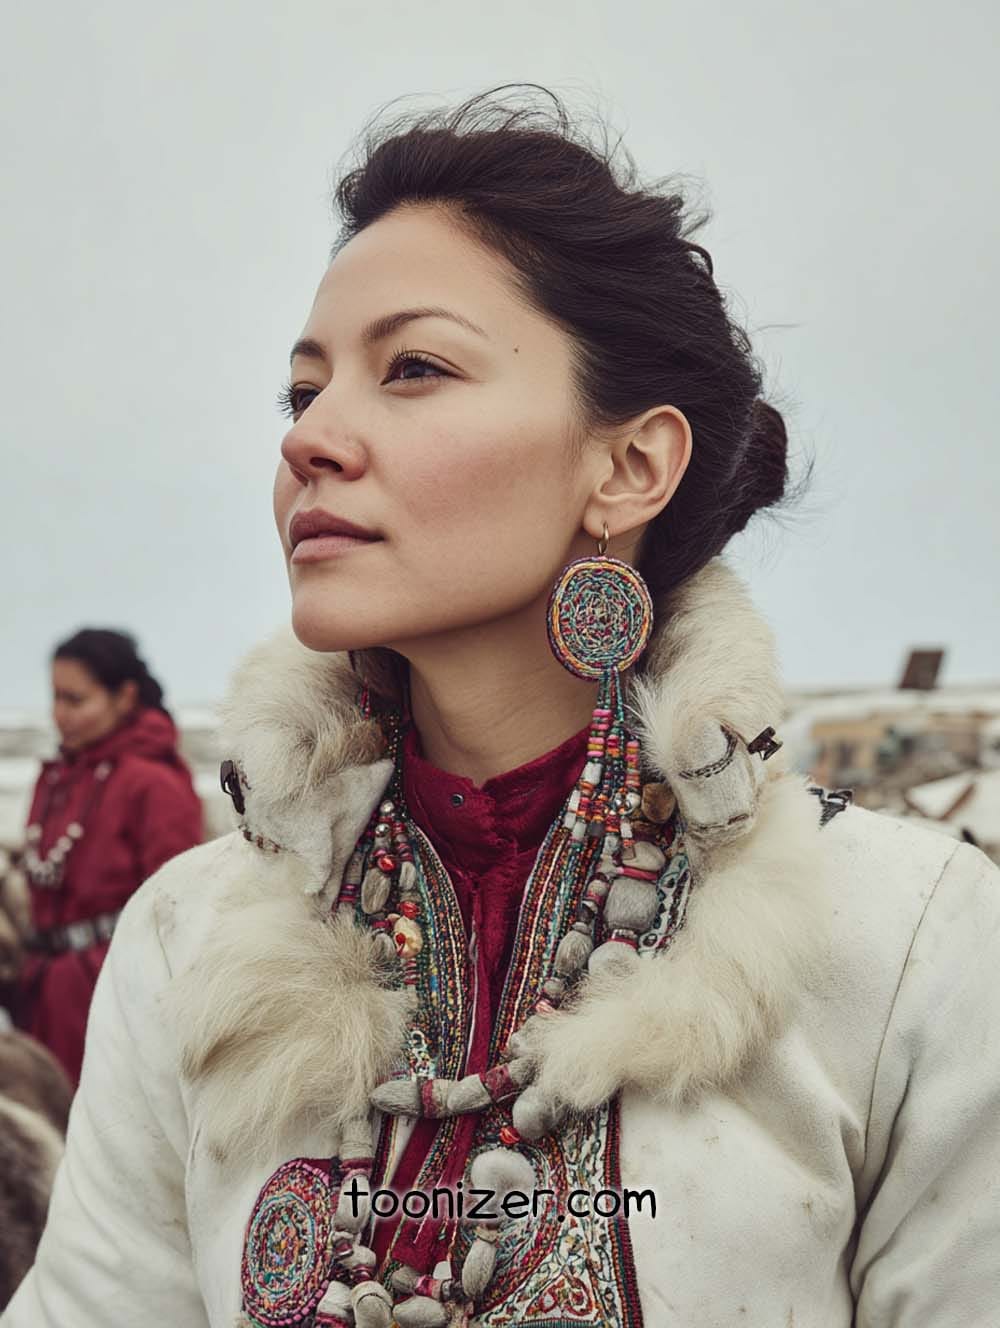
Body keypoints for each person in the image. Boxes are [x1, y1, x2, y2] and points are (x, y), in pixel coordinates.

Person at [6, 86, 999, 1327]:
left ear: (629, 465)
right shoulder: (188, 945)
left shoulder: (907, 942)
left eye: (412, 367)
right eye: (300, 394)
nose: (313, 436)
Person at [12, 629, 202, 1085]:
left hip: (111, 998)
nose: (60, 716)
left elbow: (178, 913)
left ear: (124, 697)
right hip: (42, 995)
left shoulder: (153, 783)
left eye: (75, 701)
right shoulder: (57, 778)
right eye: (55, 699)